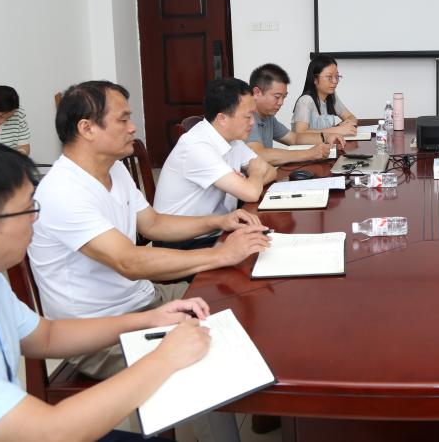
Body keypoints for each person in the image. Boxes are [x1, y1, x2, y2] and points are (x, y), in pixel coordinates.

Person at [0, 138, 212, 442]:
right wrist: (165, 358)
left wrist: (149, 319)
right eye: (28, 209)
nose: (36, 217)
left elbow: (46, 336)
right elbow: (50, 432)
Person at [29, 82, 270, 376]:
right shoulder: (63, 191)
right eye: (123, 120)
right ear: (87, 128)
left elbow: (154, 224)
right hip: (96, 333)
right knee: (218, 355)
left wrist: (218, 221)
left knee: (247, 300)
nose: (133, 127)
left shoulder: (114, 168)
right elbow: (128, 262)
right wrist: (221, 254)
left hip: (144, 299)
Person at [153, 78, 277, 250]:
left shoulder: (233, 140)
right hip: (183, 240)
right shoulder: (196, 146)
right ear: (222, 118)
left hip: (217, 228)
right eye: (248, 116)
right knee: (263, 249)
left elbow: (270, 171)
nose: (252, 122)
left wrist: (250, 181)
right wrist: (254, 174)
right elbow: (251, 193)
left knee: (270, 239)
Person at [246, 63, 342, 165]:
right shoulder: (246, 117)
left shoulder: (268, 116)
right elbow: (259, 155)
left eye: (284, 97)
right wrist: (309, 153)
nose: (281, 103)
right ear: (257, 92)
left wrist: (326, 137)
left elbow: (294, 138)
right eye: (277, 97)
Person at [291, 55, 358, 137]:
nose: (335, 81)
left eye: (337, 77)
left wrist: (348, 123)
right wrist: (336, 130)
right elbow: (300, 133)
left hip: (327, 144)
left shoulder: (331, 96)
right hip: (310, 145)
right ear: (315, 79)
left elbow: (351, 117)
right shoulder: (306, 101)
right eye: (329, 77)